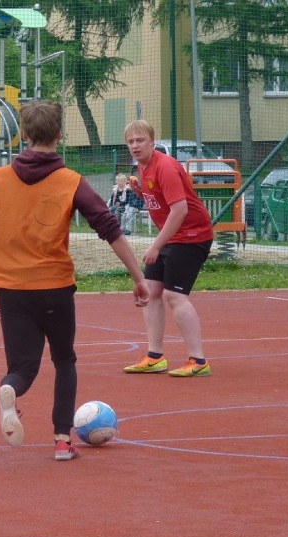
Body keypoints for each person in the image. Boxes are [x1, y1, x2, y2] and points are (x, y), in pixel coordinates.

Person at [0, 100, 149, 461]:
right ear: (60, 136)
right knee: (64, 360)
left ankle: (9, 388)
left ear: (26, 134)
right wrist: (138, 276)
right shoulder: (70, 182)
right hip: (54, 288)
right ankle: (63, 441)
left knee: (22, 368)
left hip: (11, 289)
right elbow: (108, 227)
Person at [123, 119, 214, 377]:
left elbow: (180, 210)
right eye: (131, 141)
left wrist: (155, 246)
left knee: (174, 295)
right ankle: (155, 356)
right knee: (151, 291)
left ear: (152, 142)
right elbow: (160, 200)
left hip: (191, 236)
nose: (135, 145)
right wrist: (140, 193)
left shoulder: (165, 167)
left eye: (140, 140)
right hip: (173, 237)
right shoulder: (142, 167)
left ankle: (198, 360)